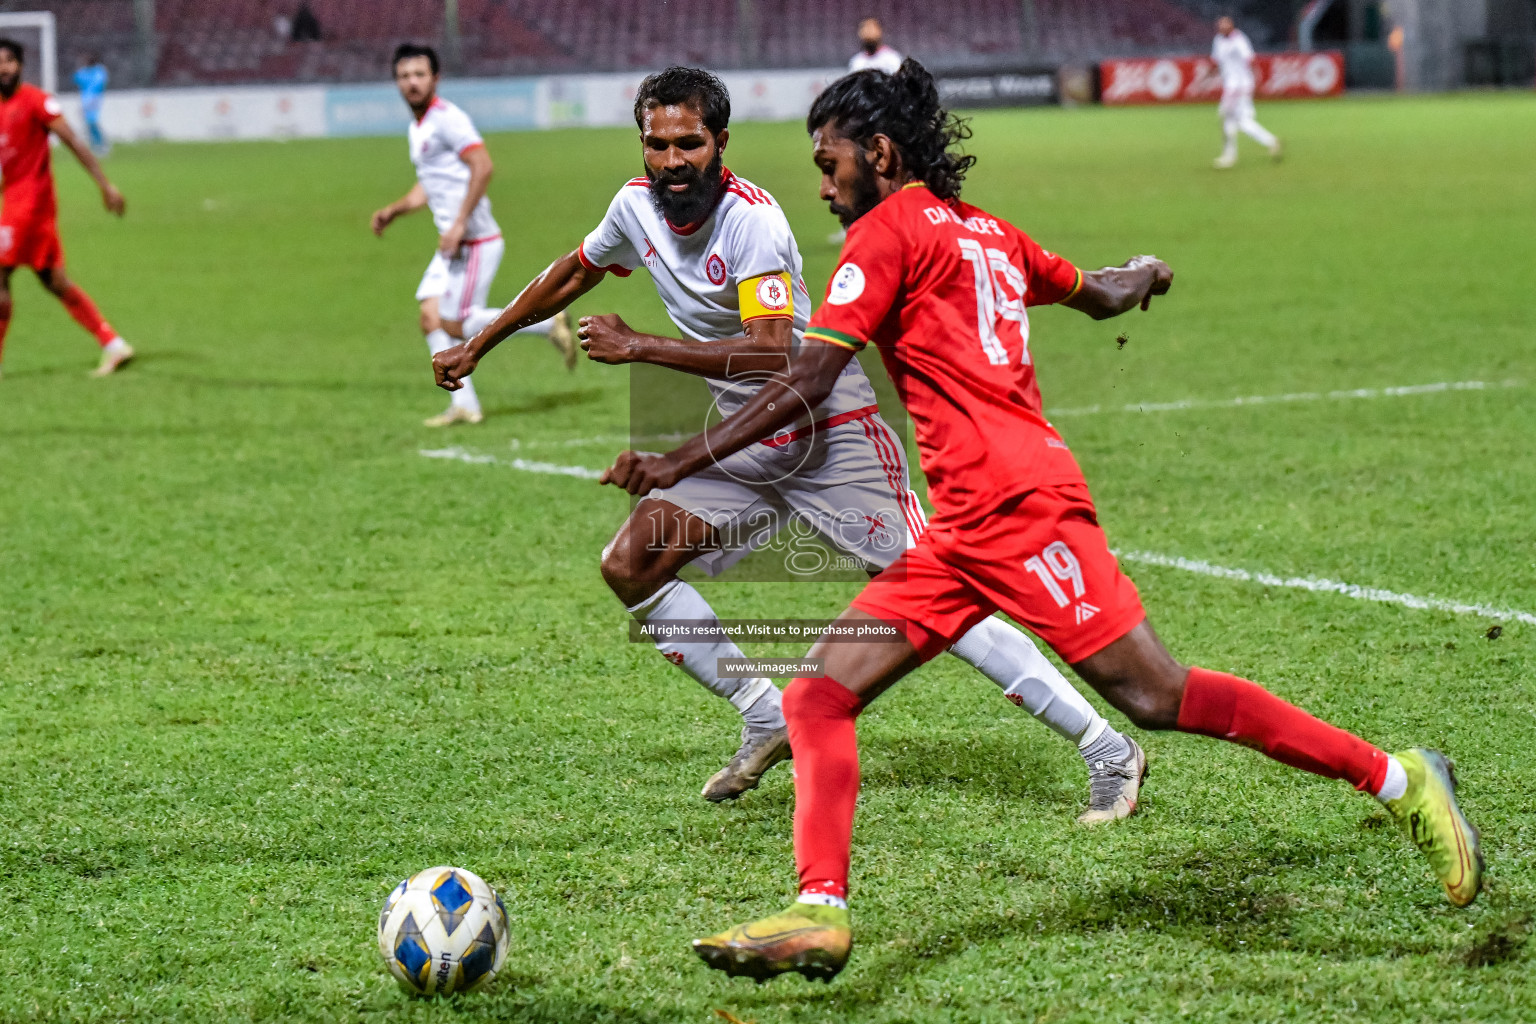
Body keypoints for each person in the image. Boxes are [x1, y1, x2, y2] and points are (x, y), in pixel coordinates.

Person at [592, 60, 1482, 982]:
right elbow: (1095, 292)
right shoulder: (989, 233)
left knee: (1155, 695)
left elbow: (806, 378)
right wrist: (1145, 272)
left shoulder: (884, 235)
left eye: (831, 163)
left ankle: (1398, 778)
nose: (823, 185)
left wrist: (675, 462)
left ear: (881, 152)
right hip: (963, 529)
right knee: (819, 693)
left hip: (1023, 512)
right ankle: (820, 908)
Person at [432, 67, 1145, 818]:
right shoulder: (634, 207)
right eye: (657, 144)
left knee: (947, 601)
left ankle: (1105, 744)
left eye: (690, 144)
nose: (672, 162)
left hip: (829, 432)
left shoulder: (753, 222)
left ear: (721, 142)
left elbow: (774, 352)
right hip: (744, 439)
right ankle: (764, 712)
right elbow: (574, 271)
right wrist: (483, 341)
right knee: (633, 564)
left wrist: (643, 344)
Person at [371, 43, 574, 426]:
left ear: (435, 78)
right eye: (404, 76)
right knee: (430, 318)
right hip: (454, 242)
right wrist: (394, 211)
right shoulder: (419, 127)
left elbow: (483, 166)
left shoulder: (448, 119)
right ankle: (465, 404)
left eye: (419, 74)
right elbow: (428, 186)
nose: (411, 83)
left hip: (474, 240)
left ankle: (548, 322)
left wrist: (461, 222)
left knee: (451, 321)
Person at [0, 39, 132, 378]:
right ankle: (113, 343)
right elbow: (12, 164)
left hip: (29, 208)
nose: (3, 68)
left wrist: (105, 185)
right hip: (17, 204)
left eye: (10, 61)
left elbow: (73, 141)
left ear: (21, 66)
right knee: (54, 281)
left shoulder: (36, 101)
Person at [1212, 15, 1281, 169]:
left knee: (1227, 118)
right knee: (1243, 122)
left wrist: (1256, 81)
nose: (1222, 27)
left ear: (1232, 26)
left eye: (1225, 24)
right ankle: (1271, 141)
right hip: (1231, 85)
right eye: (1220, 25)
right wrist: (1207, 77)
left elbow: (1250, 60)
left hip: (1239, 86)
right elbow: (1217, 62)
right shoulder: (1218, 40)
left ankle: (1229, 156)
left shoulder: (1239, 39)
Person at [72, 53, 108, 156]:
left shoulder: (96, 72)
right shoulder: (92, 72)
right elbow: (76, 79)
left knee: (92, 122)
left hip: (94, 99)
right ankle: (95, 144)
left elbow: (100, 84)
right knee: (89, 123)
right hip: (87, 99)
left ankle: (101, 143)